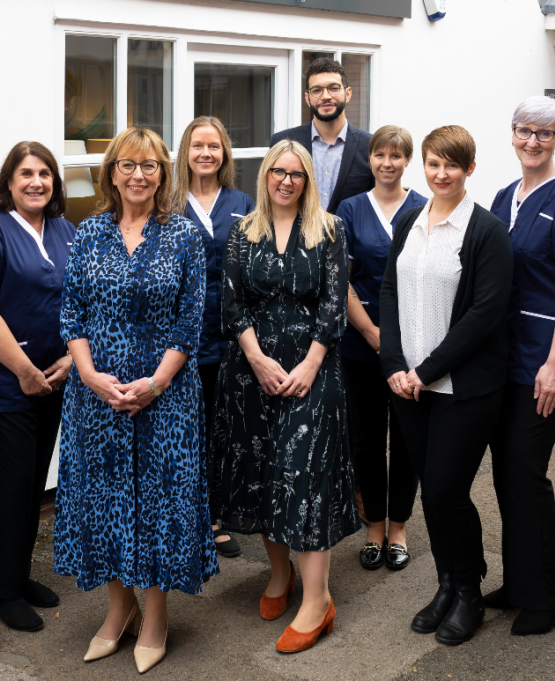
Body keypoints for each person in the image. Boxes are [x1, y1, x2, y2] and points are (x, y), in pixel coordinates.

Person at [54, 127, 218, 674]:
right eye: (128, 165)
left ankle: (155, 615)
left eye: (149, 165)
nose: (139, 175)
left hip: (164, 398)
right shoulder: (88, 232)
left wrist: (154, 384)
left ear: (163, 173)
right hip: (95, 397)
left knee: (157, 502)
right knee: (105, 500)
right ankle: (116, 610)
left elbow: (189, 323)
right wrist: (92, 376)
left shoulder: (183, 236)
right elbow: (71, 313)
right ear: (112, 172)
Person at [210, 139, 359, 654]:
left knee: (303, 473)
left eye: (297, 173)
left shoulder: (331, 229)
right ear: (265, 175)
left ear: (308, 180)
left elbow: (334, 305)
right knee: (263, 473)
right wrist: (255, 358)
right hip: (252, 373)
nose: (287, 180)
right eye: (279, 171)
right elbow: (231, 304)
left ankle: (318, 601)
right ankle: (280, 577)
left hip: (312, 371)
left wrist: (310, 363)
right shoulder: (240, 230)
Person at [379, 125, 513, 646]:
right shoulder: (411, 221)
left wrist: (425, 370)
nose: (440, 174)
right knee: (432, 497)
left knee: (446, 491)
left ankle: (470, 594)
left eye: (451, 166)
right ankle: (446, 586)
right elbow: (389, 289)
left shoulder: (485, 231)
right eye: (433, 164)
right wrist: (393, 362)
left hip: (461, 387)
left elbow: (484, 315)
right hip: (406, 383)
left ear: (469, 170)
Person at [487, 96, 555, 636]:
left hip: (543, 364)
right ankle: (521, 579)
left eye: (545, 133)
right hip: (504, 361)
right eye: (524, 131)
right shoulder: (506, 195)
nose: (533, 141)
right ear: (512, 135)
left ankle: (547, 594)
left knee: (524, 473)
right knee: (508, 476)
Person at [0, 142, 75, 632]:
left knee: (32, 486)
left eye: (45, 173)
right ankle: (4, 593)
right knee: (9, 488)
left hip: (56, 378)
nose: (36, 182)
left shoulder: (65, 230)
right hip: (6, 382)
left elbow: (79, 301)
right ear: (9, 181)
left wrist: (70, 358)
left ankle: (20, 576)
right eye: (26, 173)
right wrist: (25, 370)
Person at [335, 126, 426, 572]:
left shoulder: (424, 208)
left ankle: (399, 528)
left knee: (407, 439)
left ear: (407, 160)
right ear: (369, 160)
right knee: (367, 439)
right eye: (379, 155)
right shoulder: (350, 210)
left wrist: (399, 343)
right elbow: (341, 278)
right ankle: (373, 525)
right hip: (361, 342)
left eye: (396, 155)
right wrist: (372, 333)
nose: (387, 163)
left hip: (413, 345)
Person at [173, 115, 255, 559]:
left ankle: (216, 517)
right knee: (188, 431)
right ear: (185, 151)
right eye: (198, 145)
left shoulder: (242, 201)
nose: (206, 153)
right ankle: (189, 518)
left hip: (232, 337)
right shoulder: (167, 202)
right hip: (181, 339)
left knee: (224, 431)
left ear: (225, 153)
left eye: (215, 146)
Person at [270, 57, 374, 214]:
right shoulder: (282, 142)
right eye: (317, 90)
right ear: (307, 98)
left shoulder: (370, 146)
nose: (325, 96)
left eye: (333, 88)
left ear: (348, 93)